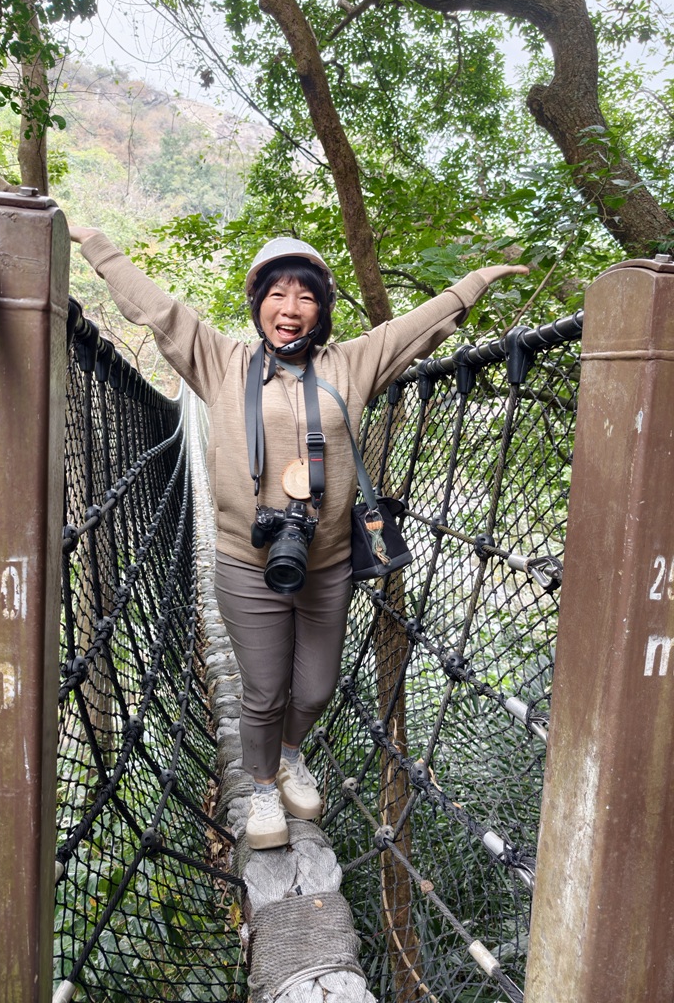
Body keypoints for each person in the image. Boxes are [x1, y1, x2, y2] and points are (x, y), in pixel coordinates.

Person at [69, 223, 527, 849]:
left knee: (315, 686)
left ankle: (289, 753)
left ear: (322, 308)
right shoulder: (221, 362)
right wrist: (96, 240)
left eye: (305, 296)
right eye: (277, 294)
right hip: (243, 559)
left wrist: (478, 281)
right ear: (258, 302)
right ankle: (261, 787)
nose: (290, 309)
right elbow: (155, 308)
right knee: (262, 689)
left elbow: (419, 328)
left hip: (329, 559)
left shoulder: (350, 364)